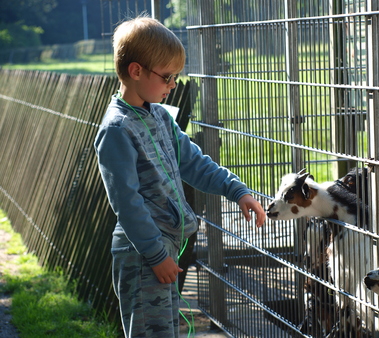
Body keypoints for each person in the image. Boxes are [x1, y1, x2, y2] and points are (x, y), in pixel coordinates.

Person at [94, 14, 266, 338]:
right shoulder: (117, 131)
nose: (173, 85)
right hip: (143, 255)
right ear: (136, 71)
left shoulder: (158, 115)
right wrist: (156, 255)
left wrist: (237, 191)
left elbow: (194, 163)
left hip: (163, 250)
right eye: (168, 77)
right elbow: (127, 204)